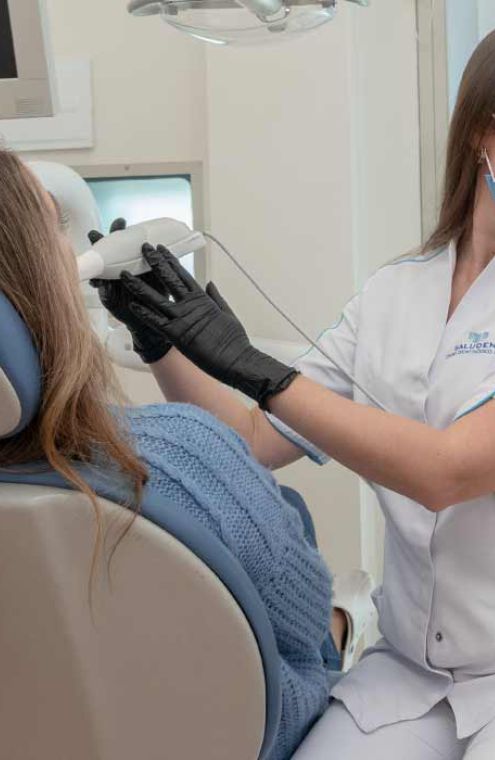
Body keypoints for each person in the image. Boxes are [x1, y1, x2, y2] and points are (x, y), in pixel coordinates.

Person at [100, 14, 495, 758]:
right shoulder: (395, 292)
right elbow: (251, 442)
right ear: (484, 131)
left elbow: (450, 472)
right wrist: (163, 342)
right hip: (409, 670)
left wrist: (260, 371)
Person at [0, 149, 356, 760]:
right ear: (46, 280)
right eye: (55, 223)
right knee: (320, 592)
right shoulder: (177, 455)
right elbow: (300, 628)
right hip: (239, 736)